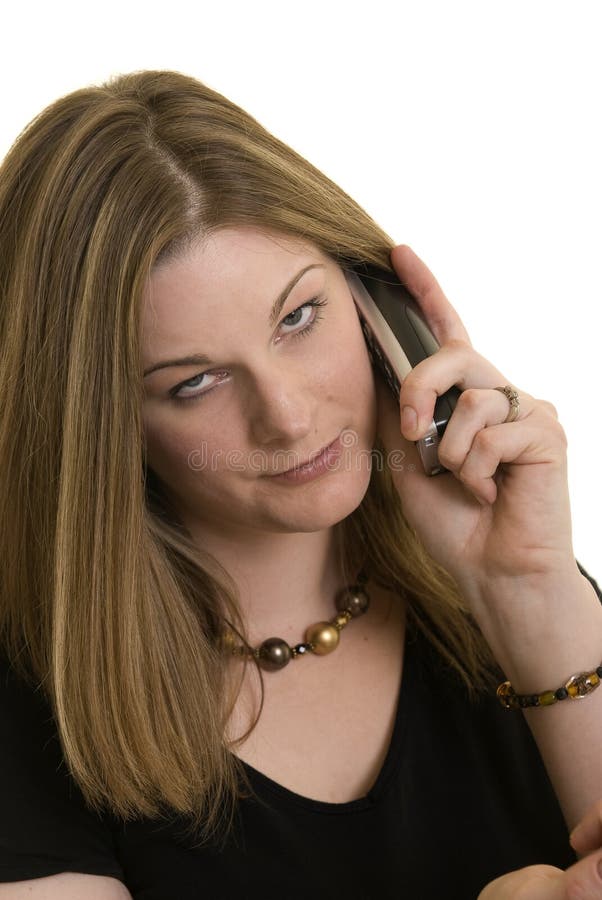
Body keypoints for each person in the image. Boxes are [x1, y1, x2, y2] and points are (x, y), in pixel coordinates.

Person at [0, 69, 600, 900]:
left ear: (376, 302)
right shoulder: (34, 698)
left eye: (297, 318)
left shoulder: (503, 586)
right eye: (194, 382)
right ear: (104, 434)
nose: (286, 416)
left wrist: (528, 590)